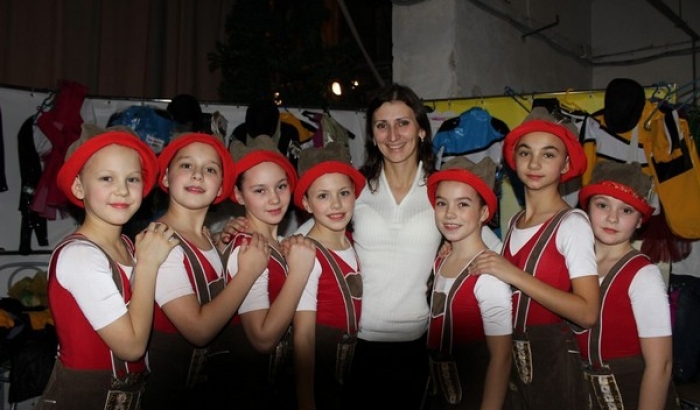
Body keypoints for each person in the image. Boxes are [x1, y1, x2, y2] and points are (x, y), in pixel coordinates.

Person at [217, 83, 502, 408]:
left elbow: (487, 243)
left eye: (403, 123)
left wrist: (474, 259)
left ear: (422, 130)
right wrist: (238, 229)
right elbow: (303, 237)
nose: (393, 135)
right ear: (372, 135)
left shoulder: (441, 190)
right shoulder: (356, 187)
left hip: (419, 346)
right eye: (382, 125)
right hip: (355, 345)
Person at [34, 125, 179, 409]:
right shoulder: (80, 256)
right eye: (106, 178)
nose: (122, 190)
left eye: (132, 179)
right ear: (79, 187)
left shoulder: (129, 246)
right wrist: (148, 264)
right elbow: (132, 347)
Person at [469, 107, 601, 409]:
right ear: (514, 160)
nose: (535, 163)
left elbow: (587, 313)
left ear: (565, 163)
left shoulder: (572, 224)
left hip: (555, 366)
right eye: (525, 152)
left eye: (548, 154)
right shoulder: (515, 221)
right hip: (513, 365)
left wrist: (514, 275)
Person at [140, 132, 270, 409]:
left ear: (221, 187)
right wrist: (247, 273)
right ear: (166, 178)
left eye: (210, 169)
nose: (198, 175)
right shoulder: (161, 243)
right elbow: (199, 330)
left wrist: (221, 246)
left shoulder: (207, 238)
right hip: (166, 396)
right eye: (186, 165)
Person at [221, 135, 316, 409]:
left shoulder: (278, 244)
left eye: (281, 186)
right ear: (239, 195)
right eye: (260, 190)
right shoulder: (247, 248)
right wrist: (299, 272)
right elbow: (262, 338)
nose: (274, 199)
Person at [576, 161, 678, 410]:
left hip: (632, 394)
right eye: (602, 205)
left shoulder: (643, 276)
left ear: (640, 220)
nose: (612, 218)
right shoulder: (575, 265)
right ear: (587, 207)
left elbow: (661, 365)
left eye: (626, 210)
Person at [423, 156, 512, 410]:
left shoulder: (488, 275)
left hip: (475, 396)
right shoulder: (441, 260)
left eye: (463, 204)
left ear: (484, 212)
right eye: (442, 203)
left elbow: (501, 358)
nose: (450, 213)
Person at [290, 141, 365, 410]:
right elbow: (303, 337)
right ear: (307, 203)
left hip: (348, 372)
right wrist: (306, 401)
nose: (336, 204)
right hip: (319, 373)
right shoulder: (307, 253)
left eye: (343, 193)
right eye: (323, 196)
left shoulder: (355, 242)